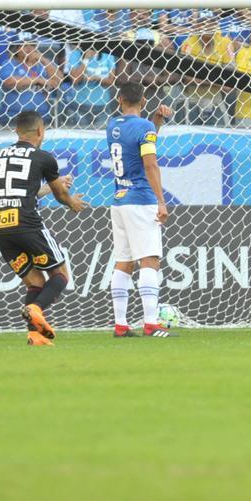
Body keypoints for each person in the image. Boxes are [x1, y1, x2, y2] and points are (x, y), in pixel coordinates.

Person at [0, 110, 86, 346]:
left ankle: (34, 335)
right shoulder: (44, 157)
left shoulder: (0, 156)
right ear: (41, 131)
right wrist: (71, 201)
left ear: (16, 131)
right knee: (61, 275)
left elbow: (24, 190)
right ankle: (35, 308)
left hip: (0, 225)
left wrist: (51, 187)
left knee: (35, 282)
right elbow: (62, 195)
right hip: (26, 222)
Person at [106, 82, 173, 338]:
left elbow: (138, 140)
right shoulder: (143, 128)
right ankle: (150, 323)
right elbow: (150, 163)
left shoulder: (113, 125)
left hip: (120, 199)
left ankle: (121, 325)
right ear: (143, 101)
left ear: (119, 99)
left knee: (124, 262)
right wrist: (161, 201)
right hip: (141, 199)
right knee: (150, 260)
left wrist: (155, 122)